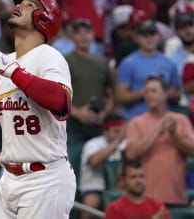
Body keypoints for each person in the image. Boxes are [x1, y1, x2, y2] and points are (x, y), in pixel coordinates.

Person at [0, 0, 75, 218]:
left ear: (44, 18)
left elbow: (61, 101)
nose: (19, 6)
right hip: (9, 178)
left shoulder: (48, 55)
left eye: (30, 4)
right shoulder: (7, 61)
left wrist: (15, 73)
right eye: (19, 3)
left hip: (45, 178)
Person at [125, 75, 194, 205]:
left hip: (176, 196)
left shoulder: (180, 120)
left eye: (154, 91)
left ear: (165, 94)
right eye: (146, 91)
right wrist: (158, 131)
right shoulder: (136, 123)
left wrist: (174, 135)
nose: (149, 95)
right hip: (145, 199)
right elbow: (131, 154)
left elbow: (192, 151)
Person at [116, 20, 180, 120]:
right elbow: (120, 97)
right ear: (137, 38)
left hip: (163, 120)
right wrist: (146, 92)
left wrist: (167, 93)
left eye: (152, 35)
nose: (149, 39)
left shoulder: (169, 63)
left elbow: (177, 95)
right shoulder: (128, 63)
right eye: (145, 36)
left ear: (158, 36)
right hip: (136, 119)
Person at [65, 19, 115, 144]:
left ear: (93, 35)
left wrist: (104, 113)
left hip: (98, 125)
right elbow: (56, 94)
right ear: (72, 37)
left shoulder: (102, 62)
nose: (83, 37)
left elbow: (111, 94)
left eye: (87, 32)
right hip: (72, 125)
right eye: (78, 33)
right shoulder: (65, 61)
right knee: (72, 162)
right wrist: (77, 112)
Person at [79, 113, 126, 219]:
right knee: (91, 202)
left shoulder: (125, 144)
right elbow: (94, 161)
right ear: (105, 131)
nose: (119, 135)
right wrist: (117, 142)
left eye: (121, 132)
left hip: (118, 187)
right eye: (116, 131)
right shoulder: (92, 144)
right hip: (95, 188)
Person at [104, 159, 172, 219]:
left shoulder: (158, 207)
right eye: (133, 177)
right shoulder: (114, 209)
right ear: (124, 181)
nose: (138, 181)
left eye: (141, 176)